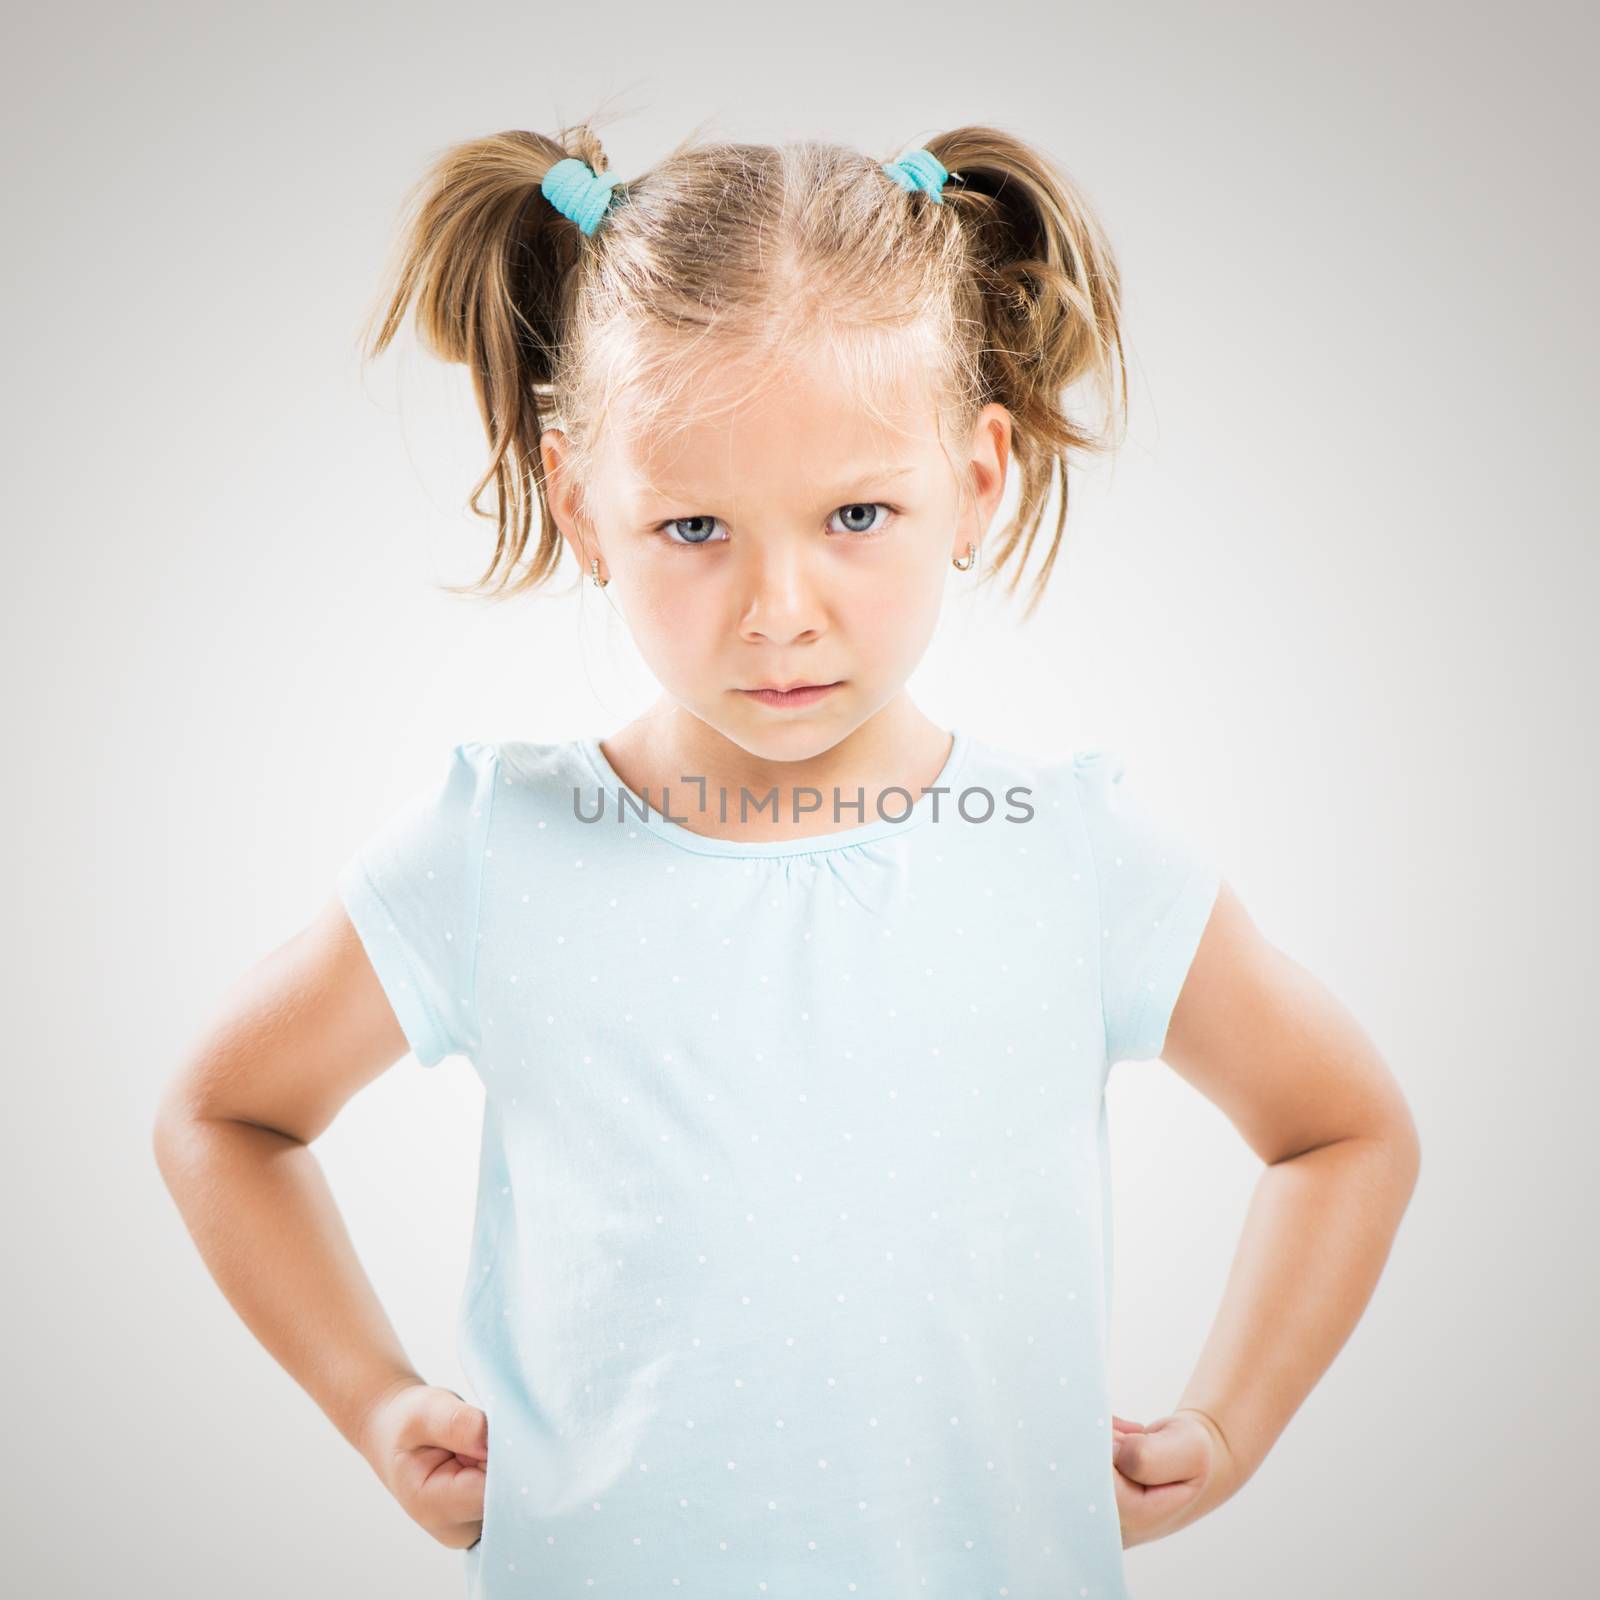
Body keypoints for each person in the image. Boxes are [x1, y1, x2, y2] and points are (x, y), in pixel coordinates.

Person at [153, 119, 1421, 1599]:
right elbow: (222, 1115)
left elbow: (1342, 1128)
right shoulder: (495, 852)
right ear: (581, 503)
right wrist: (371, 1399)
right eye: (694, 524)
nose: (780, 608)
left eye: (857, 516)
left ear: (979, 477)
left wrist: (1234, 1419)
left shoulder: (1071, 858)